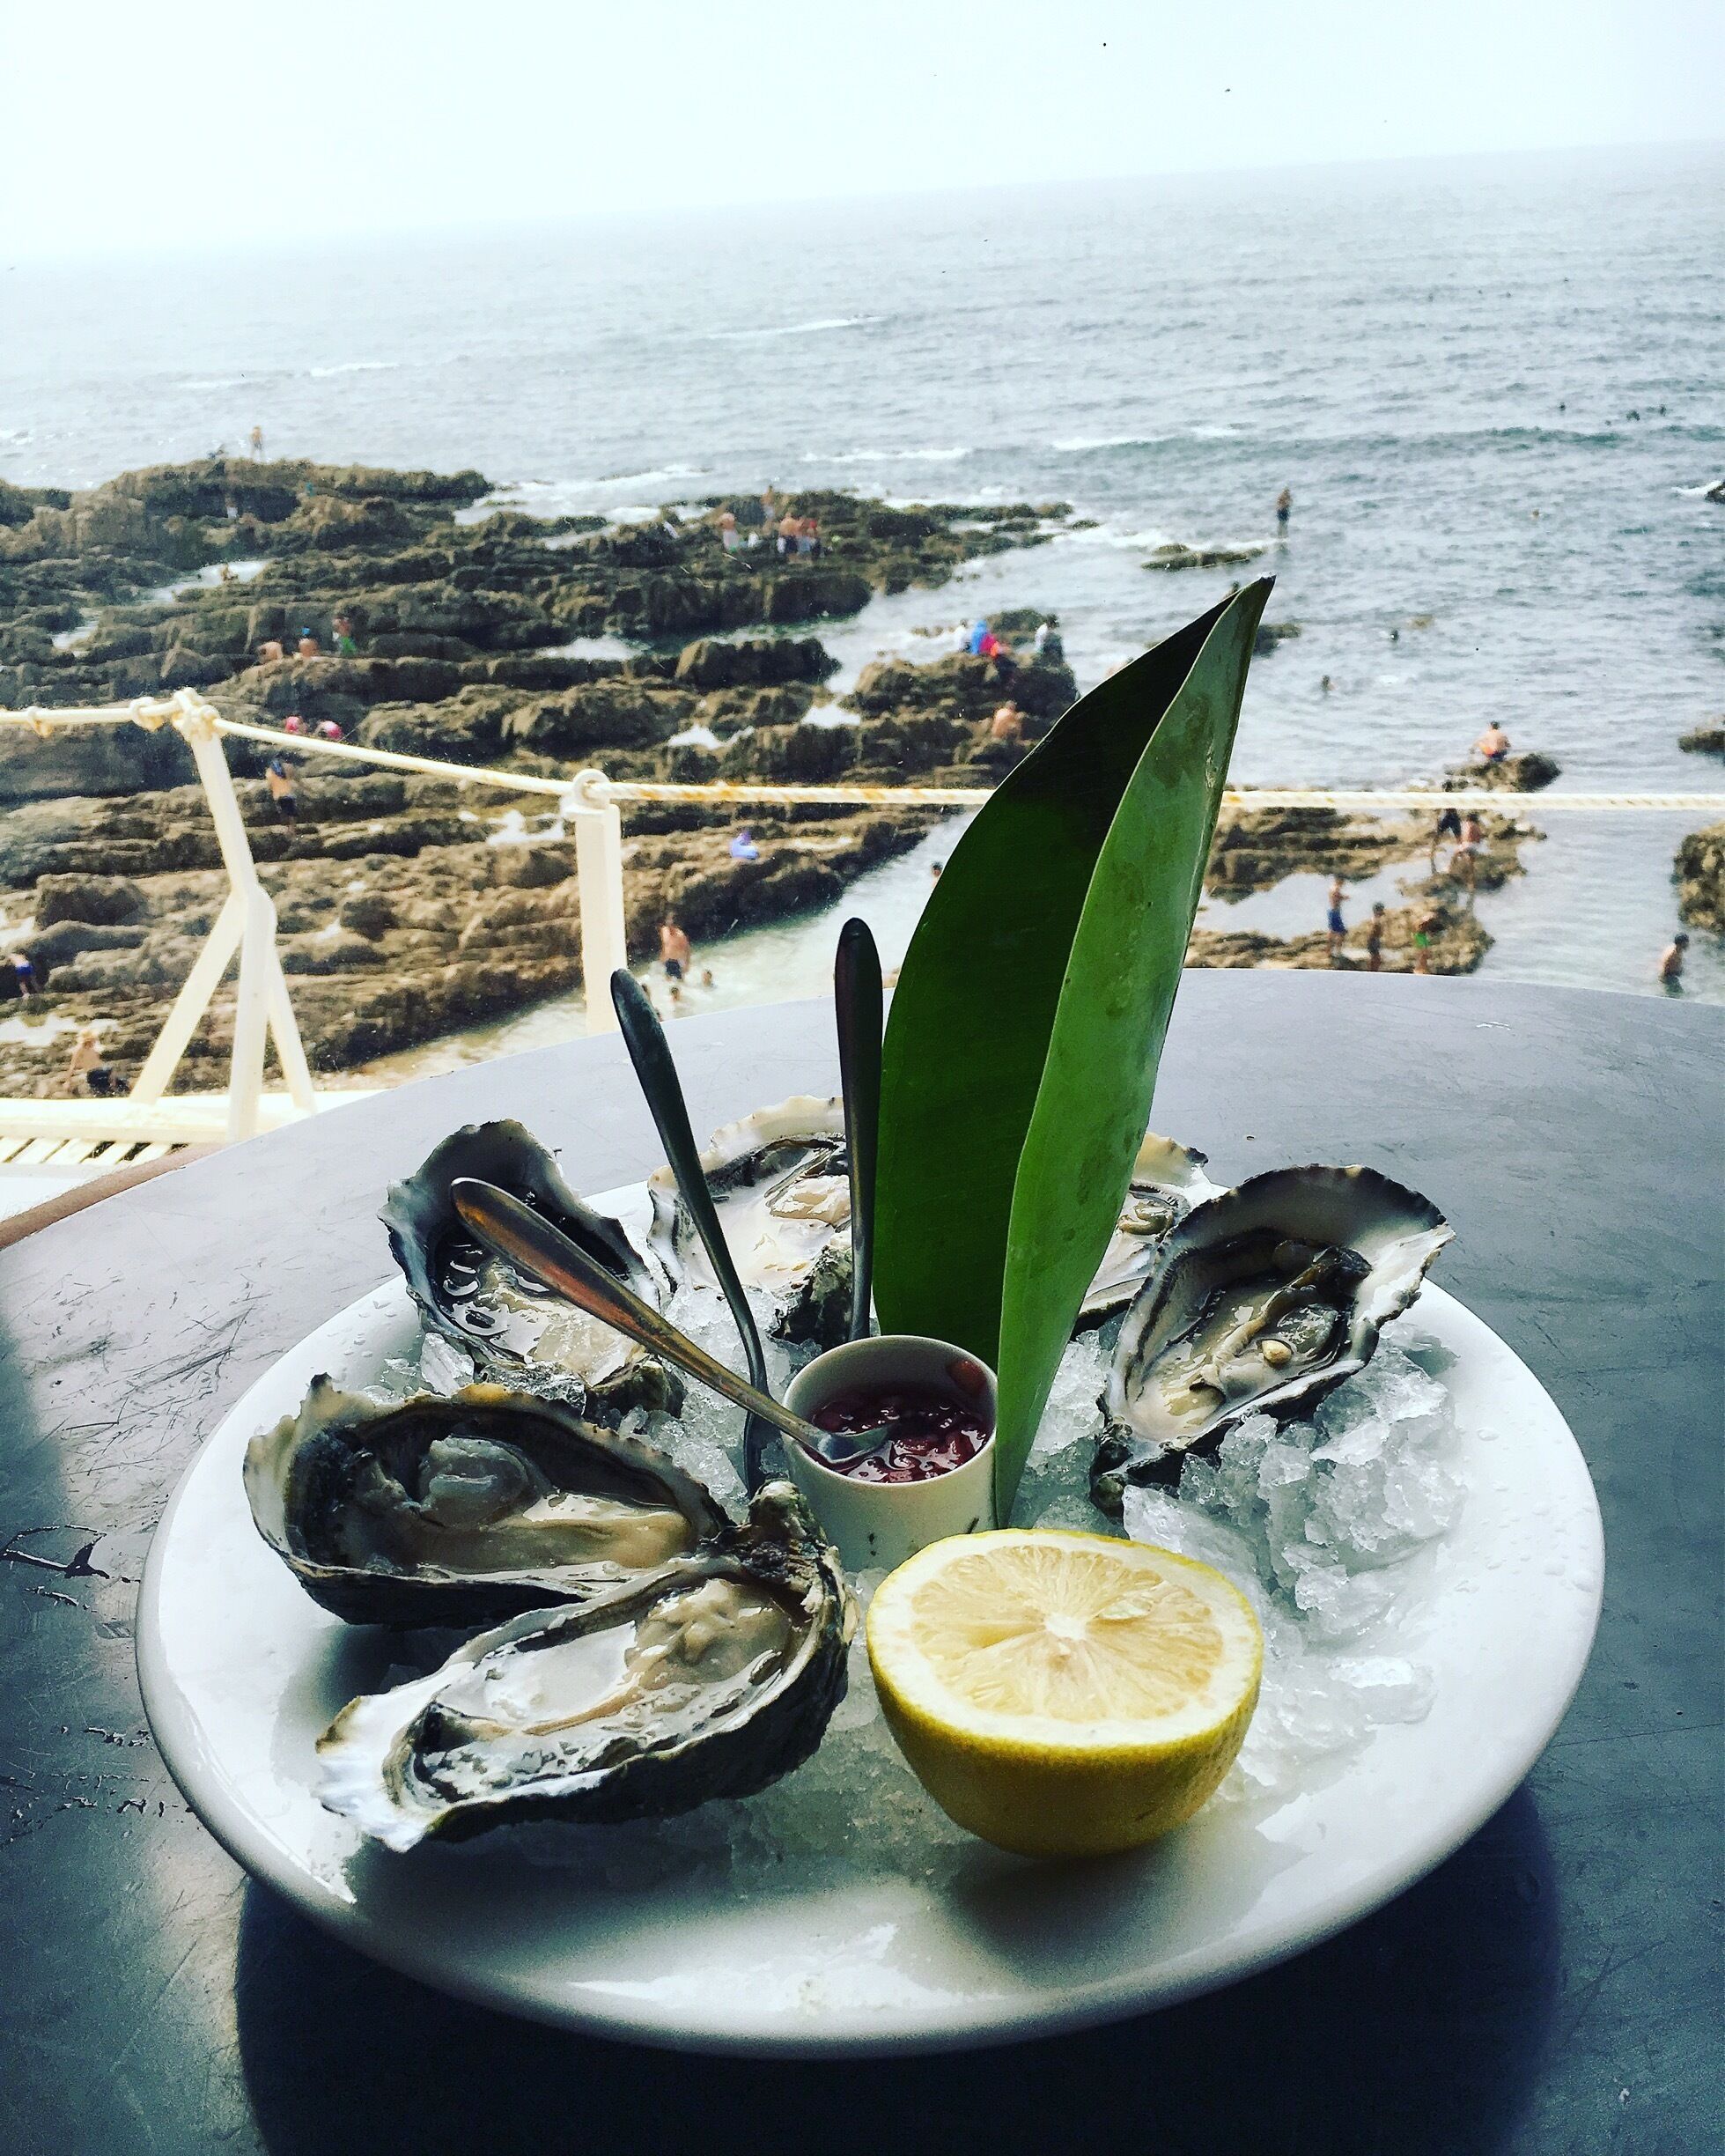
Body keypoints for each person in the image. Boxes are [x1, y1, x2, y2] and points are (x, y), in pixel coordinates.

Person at [65, 1027, 113, 1097]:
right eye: (93, 1040)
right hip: (93, 1073)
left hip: (99, 1072)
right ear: (87, 1041)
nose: (94, 1042)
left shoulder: (93, 1050)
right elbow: (72, 1065)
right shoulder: (79, 1049)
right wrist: (68, 1081)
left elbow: (98, 1062)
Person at [1452, 814, 1483, 895]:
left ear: (1468, 819)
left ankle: (1450, 869)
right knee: (1471, 866)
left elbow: (1464, 836)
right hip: (1475, 846)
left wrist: (1462, 844)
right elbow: (1480, 837)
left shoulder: (1467, 824)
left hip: (1467, 844)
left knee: (1455, 853)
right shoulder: (1477, 826)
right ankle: (1471, 885)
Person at [1430, 805, 1463, 872]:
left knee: (1458, 838)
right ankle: (1432, 855)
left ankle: (1432, 854)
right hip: (1450, 816)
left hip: (1450, 816)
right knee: (1458, 838)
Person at [265, 755, 297, 820]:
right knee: (291, 816)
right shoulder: (288, 767)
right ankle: (291, 829)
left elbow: (269, 784)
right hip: (288, 794)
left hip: (278, 795)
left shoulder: (269, 771)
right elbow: (293, 779)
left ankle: (286, 828)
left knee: (283, 814)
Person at [659, 918, 691, 982]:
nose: (670, 929)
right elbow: (664, 944)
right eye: (668, 926)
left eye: (671, 926)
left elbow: (687, 949)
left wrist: (687, 964)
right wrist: (662, 955)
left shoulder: (680, 935)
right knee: (667, 981)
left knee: (680, 981)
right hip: (668, 960)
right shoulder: (664, 931)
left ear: (675, 926)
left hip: (678, 960)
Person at [1325, 875, 1345, 964]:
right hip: (1335, 912)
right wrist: (1343, 898)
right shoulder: (1336, 888)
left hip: (1333, 911)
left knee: (1332, 931)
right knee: (1341, 932)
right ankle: (1337, 951)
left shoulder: (1332, 888)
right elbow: (1336, 897)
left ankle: (1330, 951)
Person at [1365, 903, 1386, 972]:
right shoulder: (1375, 920)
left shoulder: (1376, 919)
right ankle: (1372, 970)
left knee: (1376, 957)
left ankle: (1374, 970)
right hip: (1373, 940)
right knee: (1375, 957)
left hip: (1375, 939)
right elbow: (1373, 931)